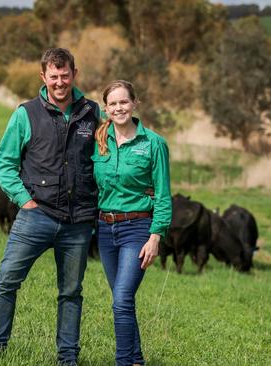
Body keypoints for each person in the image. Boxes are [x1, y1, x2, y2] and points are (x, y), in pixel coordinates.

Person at [0, 48, 101, 366]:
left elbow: (105, 160)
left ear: (74, 73)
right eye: (54, 76)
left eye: (65, 75)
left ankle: (67, 358)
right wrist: (26, 202)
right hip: (36, 216)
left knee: (71, 292)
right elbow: (4, 164)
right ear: (43, 77)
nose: (60, 82)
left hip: (78, 222)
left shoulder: (93, 113)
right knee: (7, 280)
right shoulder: (26, 114)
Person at [93, 80, 172, 366]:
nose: (119, 108)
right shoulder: (99, 141)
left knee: (122, 300)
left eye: (123, 102)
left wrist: (156, 236)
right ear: (106, 109)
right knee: (122, 301)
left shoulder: (153, 144)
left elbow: (163, 195)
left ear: (135, 103)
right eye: (112, 104)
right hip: (105, 229)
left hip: (137, 229)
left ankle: (124, 362)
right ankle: (136, 360)